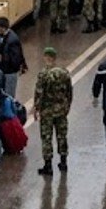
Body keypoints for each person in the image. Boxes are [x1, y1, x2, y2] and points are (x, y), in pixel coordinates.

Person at [34, 47, 73, 176]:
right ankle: (63, 162)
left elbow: (39, 93)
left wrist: (36, 108)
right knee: (62, 136)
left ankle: (48, 166)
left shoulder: (43, 74)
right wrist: (67, 106)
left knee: (46, 137)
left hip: (47, 112)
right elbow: (69, 92)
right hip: (61, 111)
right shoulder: (64, 72)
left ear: (46, 57)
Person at [0, 17, 27, 98]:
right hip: (3, 70)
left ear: (2, 28)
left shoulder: (12, 40)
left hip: (10, 72)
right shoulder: (0, 37)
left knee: (9, 95)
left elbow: (17, 57)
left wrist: (12, 66)